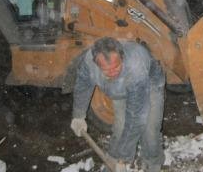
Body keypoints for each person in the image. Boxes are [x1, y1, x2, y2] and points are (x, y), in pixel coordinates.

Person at [70, 37, 165, 172]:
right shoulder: (88, 62)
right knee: (120, 126)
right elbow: (83, 85)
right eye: (107, 70)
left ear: (122, 57)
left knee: (150, 128)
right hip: (119, 88)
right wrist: (78, 115)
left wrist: (124, 158)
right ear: (96, 64)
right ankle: (112, 161)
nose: (113, 72)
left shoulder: (135, 66)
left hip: (149, 84)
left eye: (116, 67)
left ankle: (152, 162)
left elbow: (136, 117)